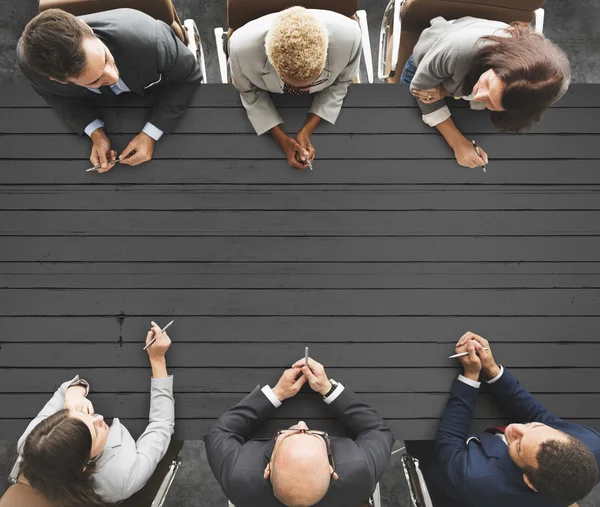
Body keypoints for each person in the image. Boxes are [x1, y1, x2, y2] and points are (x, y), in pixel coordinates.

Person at [419, 331, 600, 507]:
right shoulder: (593, 444)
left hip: (452, 482)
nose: (514, 428)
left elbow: (449, 440)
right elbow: (540, 416)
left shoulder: (476, 478)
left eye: (519, 446)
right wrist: (492, 369)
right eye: (535, 428)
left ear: (529, 481)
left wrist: (471, 376)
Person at [17, 8, 202, 172]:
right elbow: (57, 97)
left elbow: (189, 75)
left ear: (86, 28)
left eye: (106, 58)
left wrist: (151, 134)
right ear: (59, 80)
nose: (113, 77)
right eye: (96, 80)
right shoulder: (32, 69)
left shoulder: (149, 38)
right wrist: (96, 133)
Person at [16, 322, 175, 507]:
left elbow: (63, 391)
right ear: (85, 464)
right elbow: (162, 425)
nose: (99, 418)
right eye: (95, 431)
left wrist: (73, 394)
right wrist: (157, 360)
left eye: (81, 416)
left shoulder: (34, 443)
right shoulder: (122, 478)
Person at [204, 356, 394, 507]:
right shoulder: (361, 471)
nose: (302, 423)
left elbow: (220, 432)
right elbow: (377, 430)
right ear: (331, 469)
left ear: (268, 468)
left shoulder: (237, 475)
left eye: (289, 433)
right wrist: (328, 389)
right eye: (313, 434)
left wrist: (277, 393)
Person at [400, 16, 570, 168]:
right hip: (426, 65)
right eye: (488, 84)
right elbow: (420, 89)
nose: (478, 96)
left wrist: (445, 93)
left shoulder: (551, 84)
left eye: (492, 103)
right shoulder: (457, 49)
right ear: (496, 64)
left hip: (455, 79)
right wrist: (458, 143)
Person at [228, 6, 362, 170]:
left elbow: (342, 81)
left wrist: (308, 128)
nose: (305, 90)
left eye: (311, 82)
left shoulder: (351, 38)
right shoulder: (240, 51)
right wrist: (282, 140)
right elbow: (248, 91)